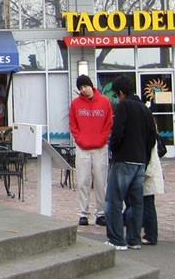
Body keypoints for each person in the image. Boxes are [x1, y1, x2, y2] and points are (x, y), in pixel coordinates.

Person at [104, 75, 156, 250]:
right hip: (140, 161)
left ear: (120, 92)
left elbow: (117, 132)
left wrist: (114, 149)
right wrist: (145, 158)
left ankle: (116, 239)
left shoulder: (123, 106)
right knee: (136, 202)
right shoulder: (145, 109)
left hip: (124, 159)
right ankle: (134, 239)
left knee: (114, 200)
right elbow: (152, 138)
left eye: (117, 94)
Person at [68, 73, 112, 227]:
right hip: (83, 148)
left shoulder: (105, 102)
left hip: (100, 148)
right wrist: (79, 140)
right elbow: (73, 124)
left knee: (101, 182)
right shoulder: (75, 104)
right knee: (83, 181)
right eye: (80, 88)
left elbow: (108, 123)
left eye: (85, 86)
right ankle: (83, 214)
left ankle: (101, 213)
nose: (83, 90)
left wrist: (102, 139)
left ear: (91, 85)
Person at [142, 109, 166, 245]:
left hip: (149, 173)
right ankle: (148, 232)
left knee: (148, 204)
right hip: (149, 172)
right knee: (146, 203)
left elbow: (152, 156)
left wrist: (148, 172)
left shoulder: (150, 134)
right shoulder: (150, 131)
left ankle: (151, 235)